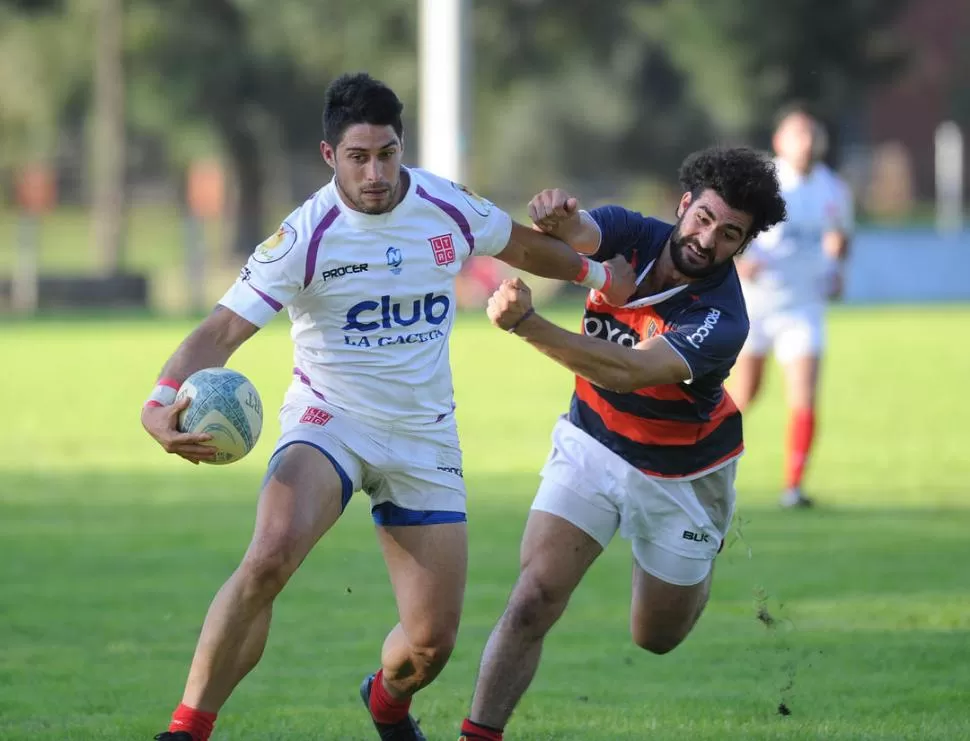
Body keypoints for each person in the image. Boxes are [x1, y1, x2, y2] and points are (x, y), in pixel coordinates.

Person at [142, 72, 636, 741]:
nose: (375, 172)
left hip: (424, 437)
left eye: (386, 154)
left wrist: (601, 276)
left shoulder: (445, 205)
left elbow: (519, 244)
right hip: (329, 422)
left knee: (431, 644)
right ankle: (187, 725)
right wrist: (161, 399)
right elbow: (221, 330)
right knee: (268, 555)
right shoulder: (306, 235)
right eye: (358, 157)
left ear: (401, 146)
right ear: (329, 156)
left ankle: (386, 701)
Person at [455, 147, 787, 741]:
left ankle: (700, 554)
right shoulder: (634, 231)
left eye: (730, 234)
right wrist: (558, 215)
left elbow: (628, 370)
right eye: (704, 219)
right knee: (532, 597)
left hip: (681, 476)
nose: (708, 240)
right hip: (594, 439)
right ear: (685, 205)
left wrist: (528, 325)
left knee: (653, 638)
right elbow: (582, 233)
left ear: (743, 245)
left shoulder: (723, 317)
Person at [730, 103, 855, 508]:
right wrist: (740, 258)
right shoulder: (763, 183)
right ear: (779, 141)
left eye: (812, 134)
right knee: (745, 393)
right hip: (757, 304)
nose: (807, 142)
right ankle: (699, 464)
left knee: (804, 395)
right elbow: (730, 230)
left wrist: (835, 267)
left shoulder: (833, 189)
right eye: (798, 134)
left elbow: (839, 235)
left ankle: (793, 488)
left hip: (803, 307)